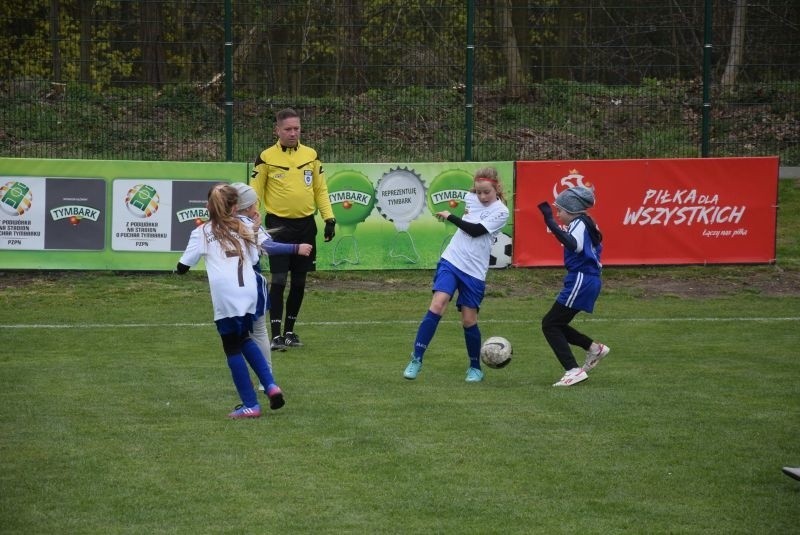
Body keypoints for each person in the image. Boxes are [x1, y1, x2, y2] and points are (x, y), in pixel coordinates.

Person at [176, 183, 291, 419]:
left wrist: (178, 271)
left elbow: (184, 265)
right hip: (249, 294)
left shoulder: (202, 231)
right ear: (235, 206)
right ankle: (270, 385)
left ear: (208, 206)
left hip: (227, 297)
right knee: (245, 338)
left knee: (231, 347)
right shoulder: (245, 225)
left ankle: (251, 404)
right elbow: (258, 252)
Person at [403, 167, 510, 383]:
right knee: (438, 303)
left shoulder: (501, 211)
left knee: (469, 320)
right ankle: (416, 359)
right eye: (479, 192)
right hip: (452, 260)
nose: (482, 196)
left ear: (496, 188)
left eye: (487, 192)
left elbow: (476, 230)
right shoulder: (470, 198)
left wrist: (450, 216)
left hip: (475, 271)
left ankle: (475, 368)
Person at [251, 107, 336, 352]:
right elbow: (254, 190)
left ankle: (290, 331)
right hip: (278, 227)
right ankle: (275, 335)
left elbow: (320, 189)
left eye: (296, 128)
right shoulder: (266, 157)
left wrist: (329, 219)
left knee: (299, 282)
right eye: (287, 129)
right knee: (278, 281)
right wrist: (252, 218)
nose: (292, 133)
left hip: (306, 226)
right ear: (277, 130)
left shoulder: (311, 155)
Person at [230, 182, 313, 388]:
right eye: (255, 203)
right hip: (250, 285)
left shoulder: (217, 224)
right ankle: (266, 381)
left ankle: (245, 379)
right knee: (258, 333)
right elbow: (269, 246)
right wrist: (297, 248)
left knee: (234, 338)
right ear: (248, 206)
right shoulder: (247, 224)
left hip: (227, 290)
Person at [536, 186, 610, 387]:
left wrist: (549, 222)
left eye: (560, 210)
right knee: (555, 324)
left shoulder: (579, 223)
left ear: (572, 209)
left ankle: (573, 370)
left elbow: (574, 245)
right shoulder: (587, 223)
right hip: (587, 279)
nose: (558, 214)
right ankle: (594, 348)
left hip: (581, 279)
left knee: (550, 324)